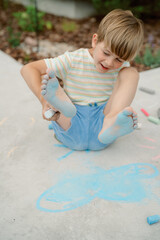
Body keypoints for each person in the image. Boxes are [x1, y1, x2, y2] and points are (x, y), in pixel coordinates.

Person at [21, 9, 144, 151]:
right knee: (54, 89)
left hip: (102, 129)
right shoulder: (74, 60)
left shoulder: (123, 67)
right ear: (95, 40)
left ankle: (113, 119)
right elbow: (28, 69)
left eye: (119, 59)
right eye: (106, 53)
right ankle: (58, 101)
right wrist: (44, 101)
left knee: (131, 73)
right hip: (71, 121)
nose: (110, 63)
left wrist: (111, 119)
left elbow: (124, 78)